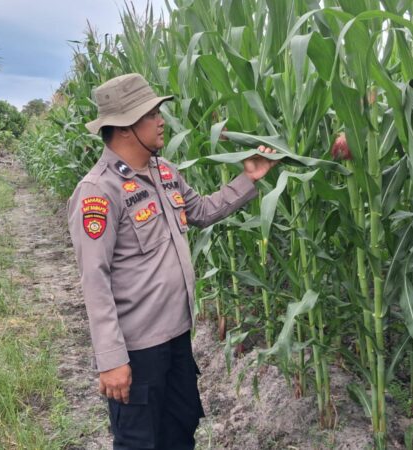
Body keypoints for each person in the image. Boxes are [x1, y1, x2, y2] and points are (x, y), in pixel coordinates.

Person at [67, 73, 278, 450]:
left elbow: (201, 210)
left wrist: (248, 179)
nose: (161, 120)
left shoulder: (164, 173)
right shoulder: (98, 191)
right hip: (137, 350)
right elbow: (94, 281)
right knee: (139, 442)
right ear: (126, 127)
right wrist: (112, 359)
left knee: (180, 431)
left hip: (177, 337)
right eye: (151, 114)